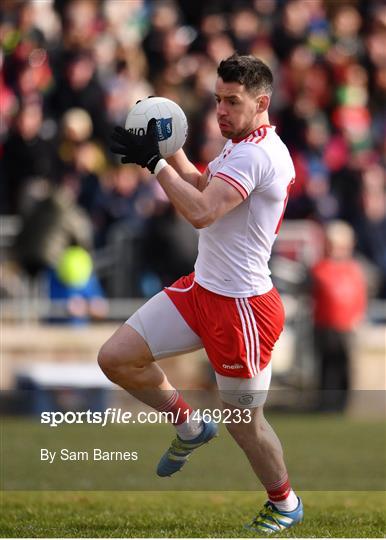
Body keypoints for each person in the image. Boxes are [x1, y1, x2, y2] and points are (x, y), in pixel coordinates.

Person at [98, 53, 303, 534]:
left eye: (233, 101)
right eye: (217, 100)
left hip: (242, 309)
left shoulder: (259, 153)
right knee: (117, 358)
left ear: (263, 102)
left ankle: (286, 502)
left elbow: (202, 212)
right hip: (202, 288)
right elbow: (201, 183)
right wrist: (166, 147)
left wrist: (153, 164)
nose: (221, 111)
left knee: (245, 423)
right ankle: (189, 425)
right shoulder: (241, 144)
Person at [311, 221, 367, 412]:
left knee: (344, 366)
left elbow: (359, 296)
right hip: (325, 326)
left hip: (346, 327)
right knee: (327, 367)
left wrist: (357, 317)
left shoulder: (353, 269)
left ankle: (343, 404)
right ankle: (326, 404)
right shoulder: (321, 268)